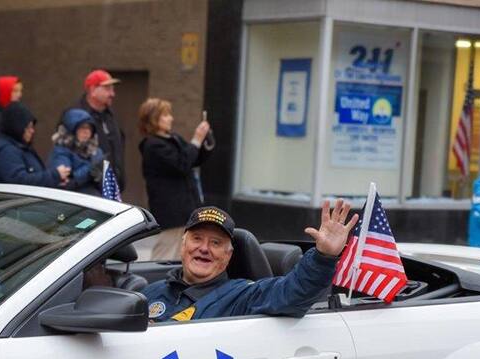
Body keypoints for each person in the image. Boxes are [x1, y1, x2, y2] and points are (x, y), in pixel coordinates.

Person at [142, 201, 357, 323]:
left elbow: (292, 292)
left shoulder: (242, 296)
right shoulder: (151, 293)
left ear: (228, 255)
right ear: (183, 245)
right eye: (197, 239)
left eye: (216, 243)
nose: (204, 248)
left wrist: (323, 257)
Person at [139, 98, 212, 260]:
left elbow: (193, 158)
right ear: (153, 119)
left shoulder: (173, 139)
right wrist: (196, 139)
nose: (171, 118)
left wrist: (205, 141)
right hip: (171, 211)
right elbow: (182, 164)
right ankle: (153, 283)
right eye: (165, 115)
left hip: (185, 208)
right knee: (164, 256)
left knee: (182, 256)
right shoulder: (153, 146)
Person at [62, 70, 125, 190]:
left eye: (112, 89)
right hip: (87, 190)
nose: (112, 94)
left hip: (111, 187)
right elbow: (65, 151)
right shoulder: (73, 115)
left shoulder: (110, 115)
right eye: (107, 88)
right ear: (92, 90)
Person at [0, 101, 70, 187]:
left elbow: (34, 177)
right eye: (28, 127)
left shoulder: (21, 147)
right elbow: (19, 182)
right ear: (17, 127)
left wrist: (54, 181)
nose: (32, 131)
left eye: (32, 127)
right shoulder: (6, 151)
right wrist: (54, 175)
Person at [49, 108, 105, 196]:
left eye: (89, 128)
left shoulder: (96, 152)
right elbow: (66, 182)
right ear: (72, 130)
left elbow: (107, 184)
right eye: (82, 127)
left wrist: (99, 177)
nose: (86, 132)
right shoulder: (61, 150)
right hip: (72, 202)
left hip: (96, 201)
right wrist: (89, 169)